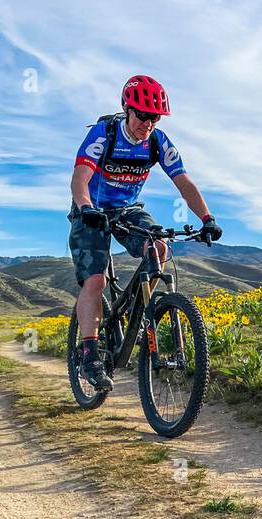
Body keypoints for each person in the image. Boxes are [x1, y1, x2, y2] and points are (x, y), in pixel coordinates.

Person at [68, 75, 221, 388]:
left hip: (128, 209)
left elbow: (184, 183)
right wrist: (85, 209)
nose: (148, 123)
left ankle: (142, 311)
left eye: (155, 117)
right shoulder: (105, 134)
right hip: (91, 210)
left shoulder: (158, 142)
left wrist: (207, 218)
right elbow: (80, 178)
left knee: (160, 247)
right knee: (95, 280)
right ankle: (89, 354)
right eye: (142, 115)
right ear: (127, 109)